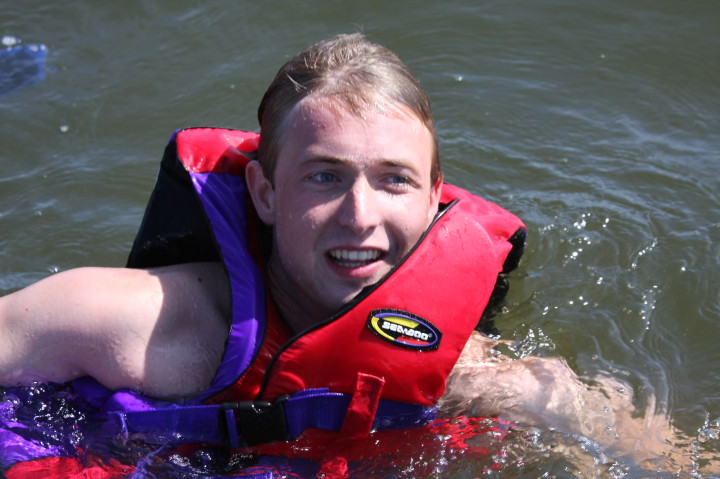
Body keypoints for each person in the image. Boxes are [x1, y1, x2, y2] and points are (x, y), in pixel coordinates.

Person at [0, 33, 695, 475]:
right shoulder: (115, 321)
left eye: (394, 180)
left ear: (434, 200)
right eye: (324, 177)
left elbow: (668, 460)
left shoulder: (490, 380)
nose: (360, 216)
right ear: (265, 193)